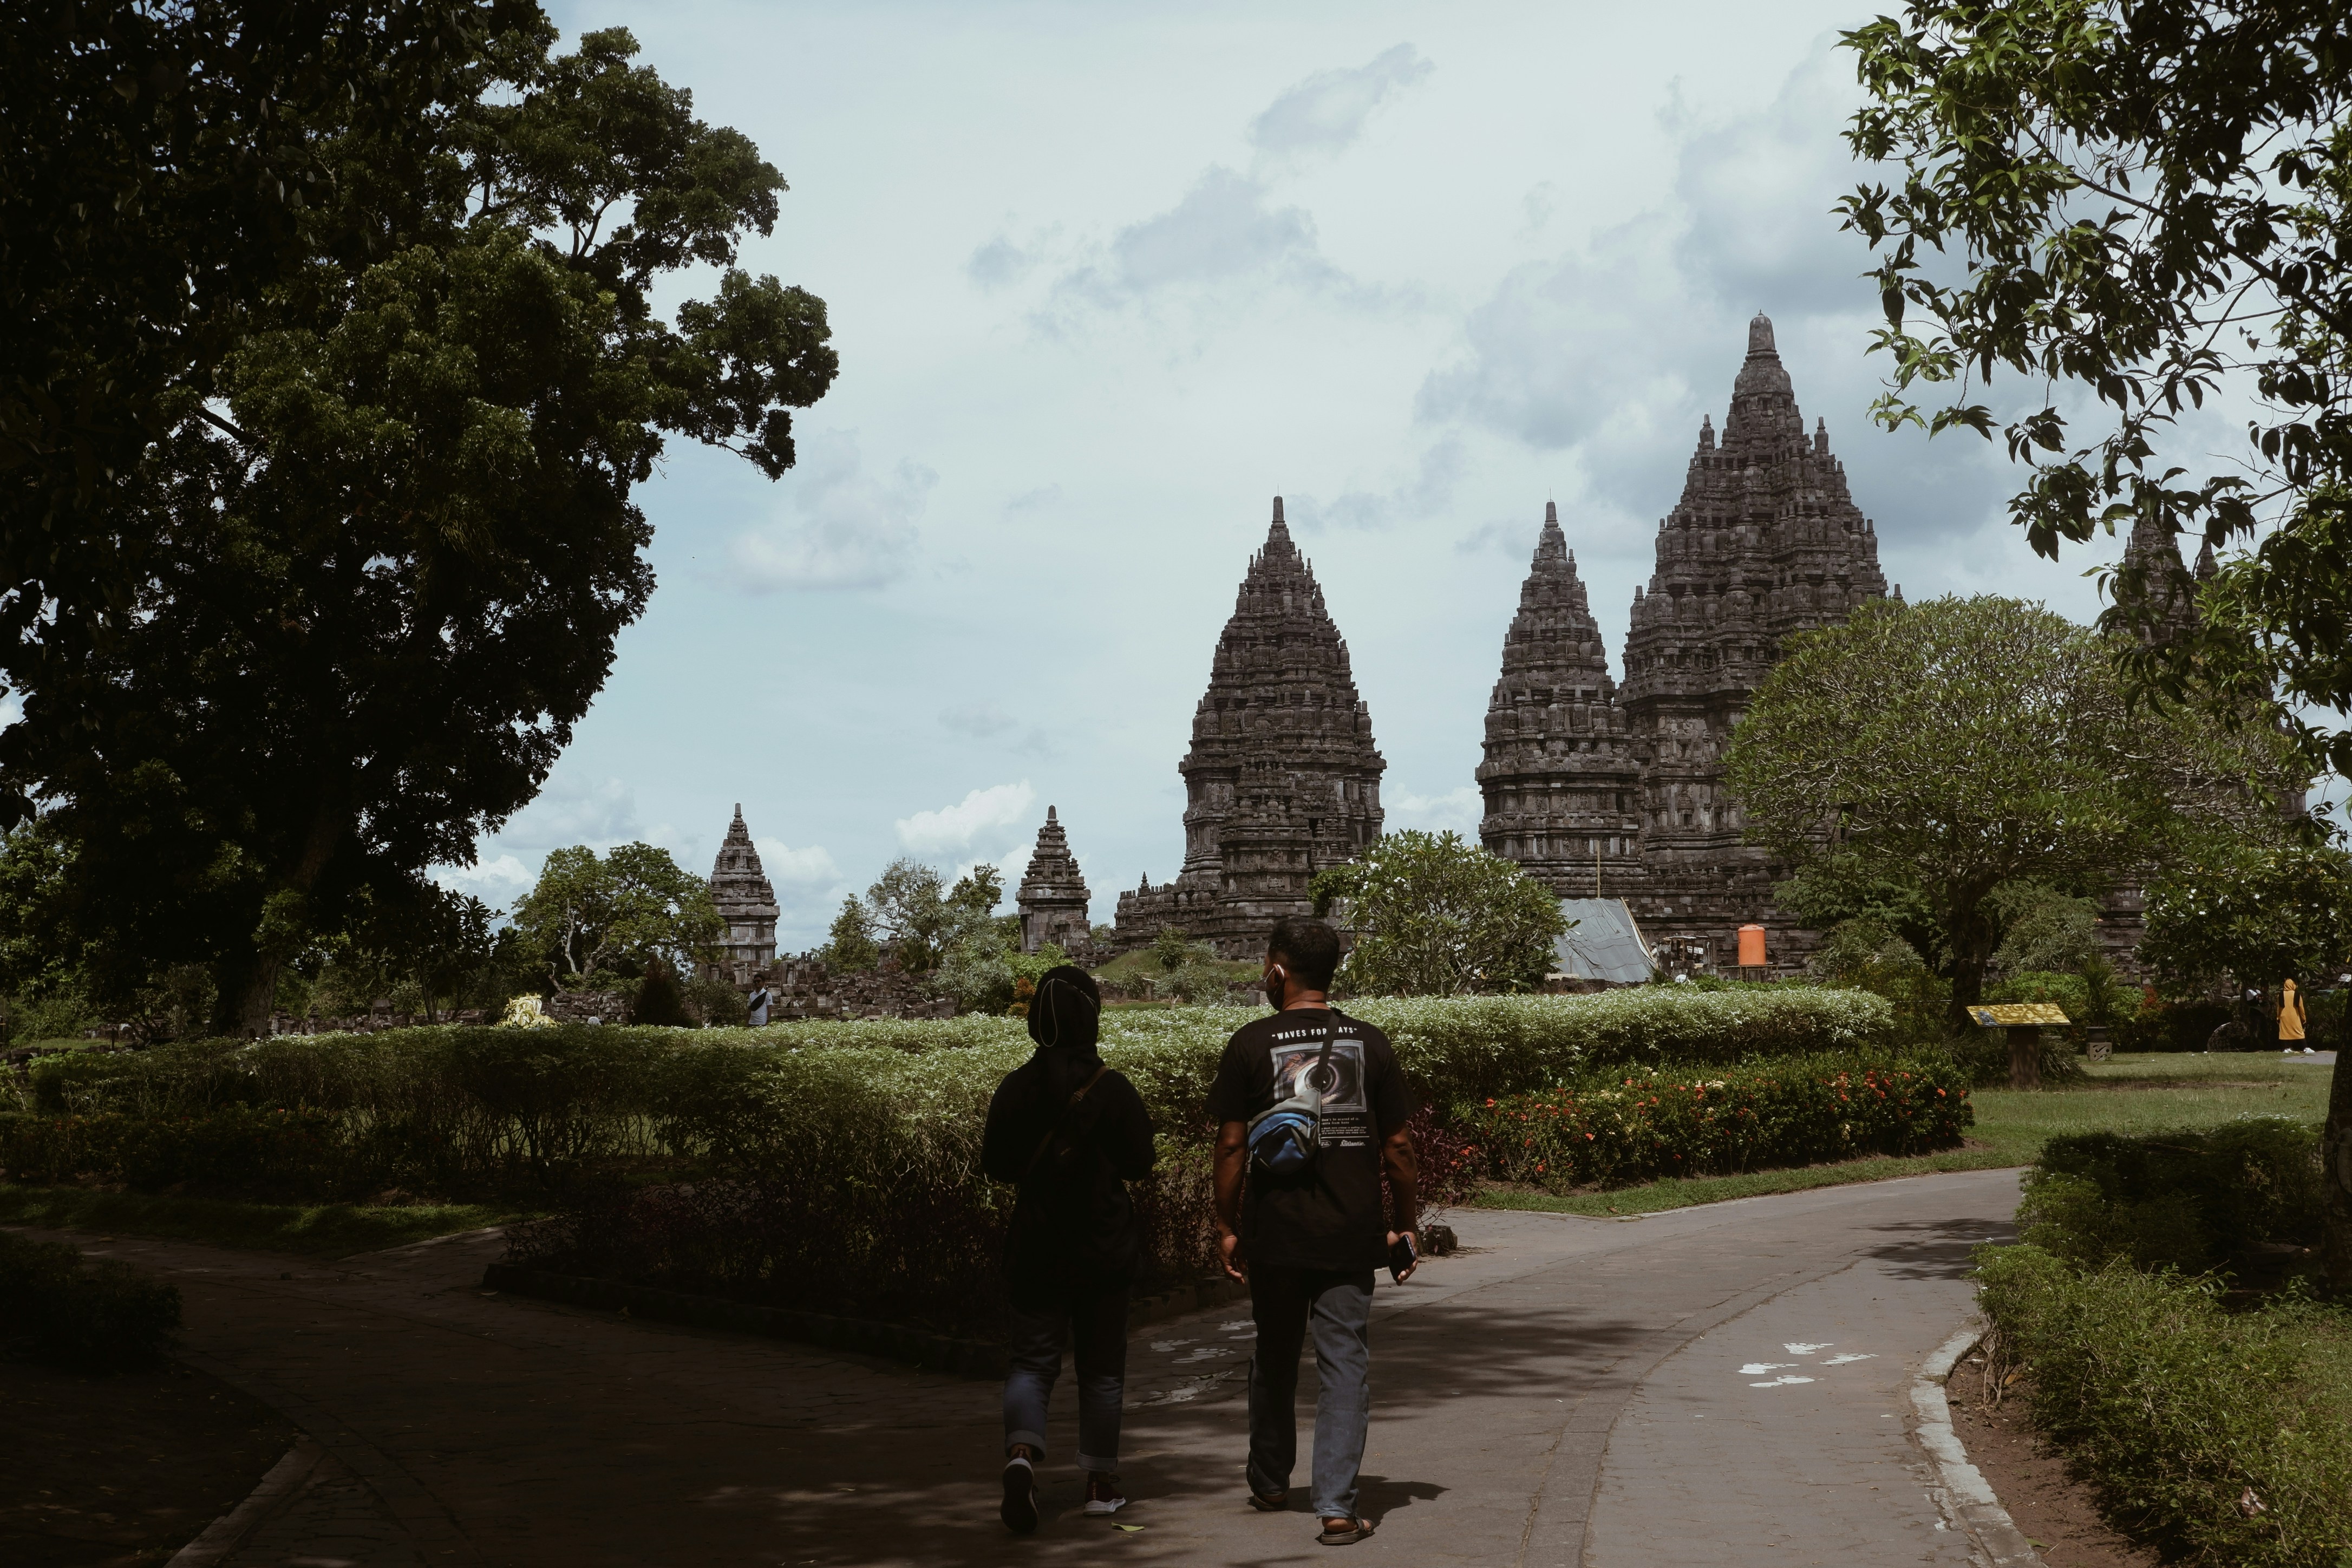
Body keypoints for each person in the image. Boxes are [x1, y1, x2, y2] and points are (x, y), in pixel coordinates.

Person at [1206, 916, 1417, 1547]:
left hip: (1275, 1232)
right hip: (1350, 1232)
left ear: (1277, 968)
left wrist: (1225, 1223)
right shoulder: (1370, 1042)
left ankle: (1272, 1479)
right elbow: (1400, 1147)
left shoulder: (1249, 1043)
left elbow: (1231, 1145)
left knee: (1273, 1354)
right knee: (1344, 1364)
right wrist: (1405, 1225)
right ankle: (1335, 1508)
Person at [979, 965, 1155, 1534]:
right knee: (1102, 1369)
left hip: (1037, 1242)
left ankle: (1022, 1456)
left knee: (1032, 1361)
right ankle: (1101, 1485)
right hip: (1104, 1245)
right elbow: (1140, 1164)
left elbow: (998, 1168)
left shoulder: (1015, 1087)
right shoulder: (1112, 1088)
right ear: (1092, 1017)